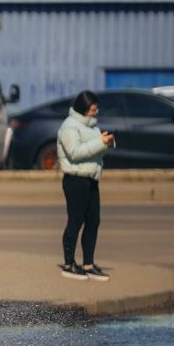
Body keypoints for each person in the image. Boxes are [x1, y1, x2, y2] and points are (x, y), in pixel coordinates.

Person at [56, 90, 114, 281]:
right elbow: (75, 153)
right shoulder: (69, 126)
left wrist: (106, 143)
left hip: (92, 178)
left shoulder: (93, 127)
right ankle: (69, 264)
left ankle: (88, 263)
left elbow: (95, 152)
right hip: (75, 179)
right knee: (75, 221)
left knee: (93, 221)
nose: (94, 112)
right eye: (91, 109)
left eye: (95, 109)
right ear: (82, 108)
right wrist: (99, 143)